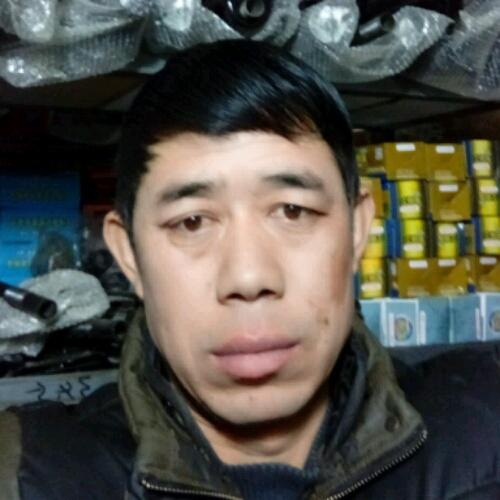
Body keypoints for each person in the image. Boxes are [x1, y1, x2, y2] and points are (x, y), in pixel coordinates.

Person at [1, 39, 499, 500]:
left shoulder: (483, 433)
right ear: (129, 254)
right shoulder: (29, 475)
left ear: (356, 230)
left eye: (292, 211)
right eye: (192, 222)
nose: (248, 277)